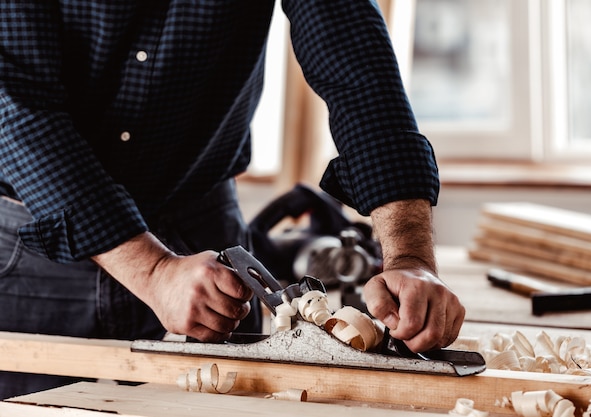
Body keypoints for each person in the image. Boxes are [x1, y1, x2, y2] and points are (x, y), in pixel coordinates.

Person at [0, 0, 465, 399]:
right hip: (34, 236)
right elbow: (17, 111)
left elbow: (356, 66)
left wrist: (408, 256)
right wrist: (153, 270)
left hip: (198, 223)